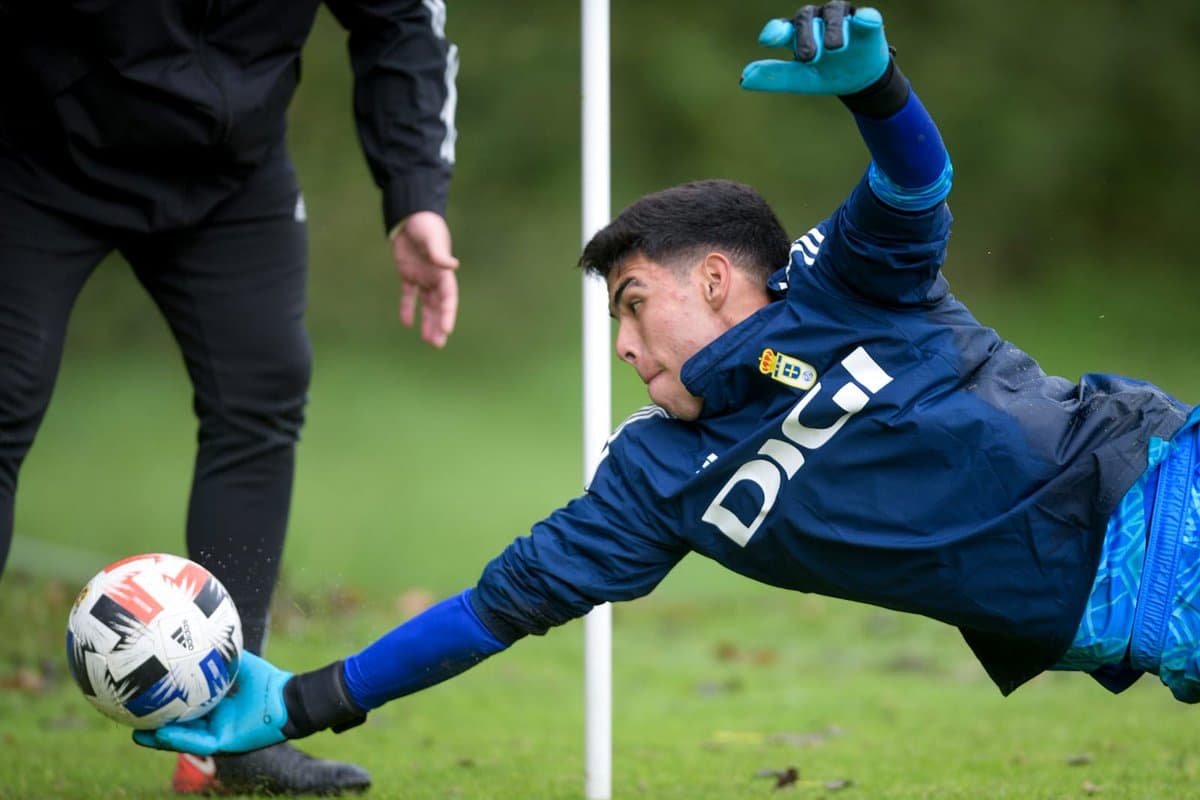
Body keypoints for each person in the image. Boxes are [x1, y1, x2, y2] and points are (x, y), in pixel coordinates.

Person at [134, 0, 1199, 779]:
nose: (625, 345)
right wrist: (307, 697)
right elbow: (498, 604)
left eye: (635, 304)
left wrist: (877, 90)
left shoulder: (846, 287)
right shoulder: (654, 475)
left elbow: (916, 185)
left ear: (719, 278)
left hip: (1163, 494)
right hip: (1128, 626)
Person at [0, 0, 461, 795]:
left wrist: (415, 189)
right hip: (38, 150)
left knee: (262, 397)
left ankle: (226, 739)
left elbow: (400, 21)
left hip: (228, 173)